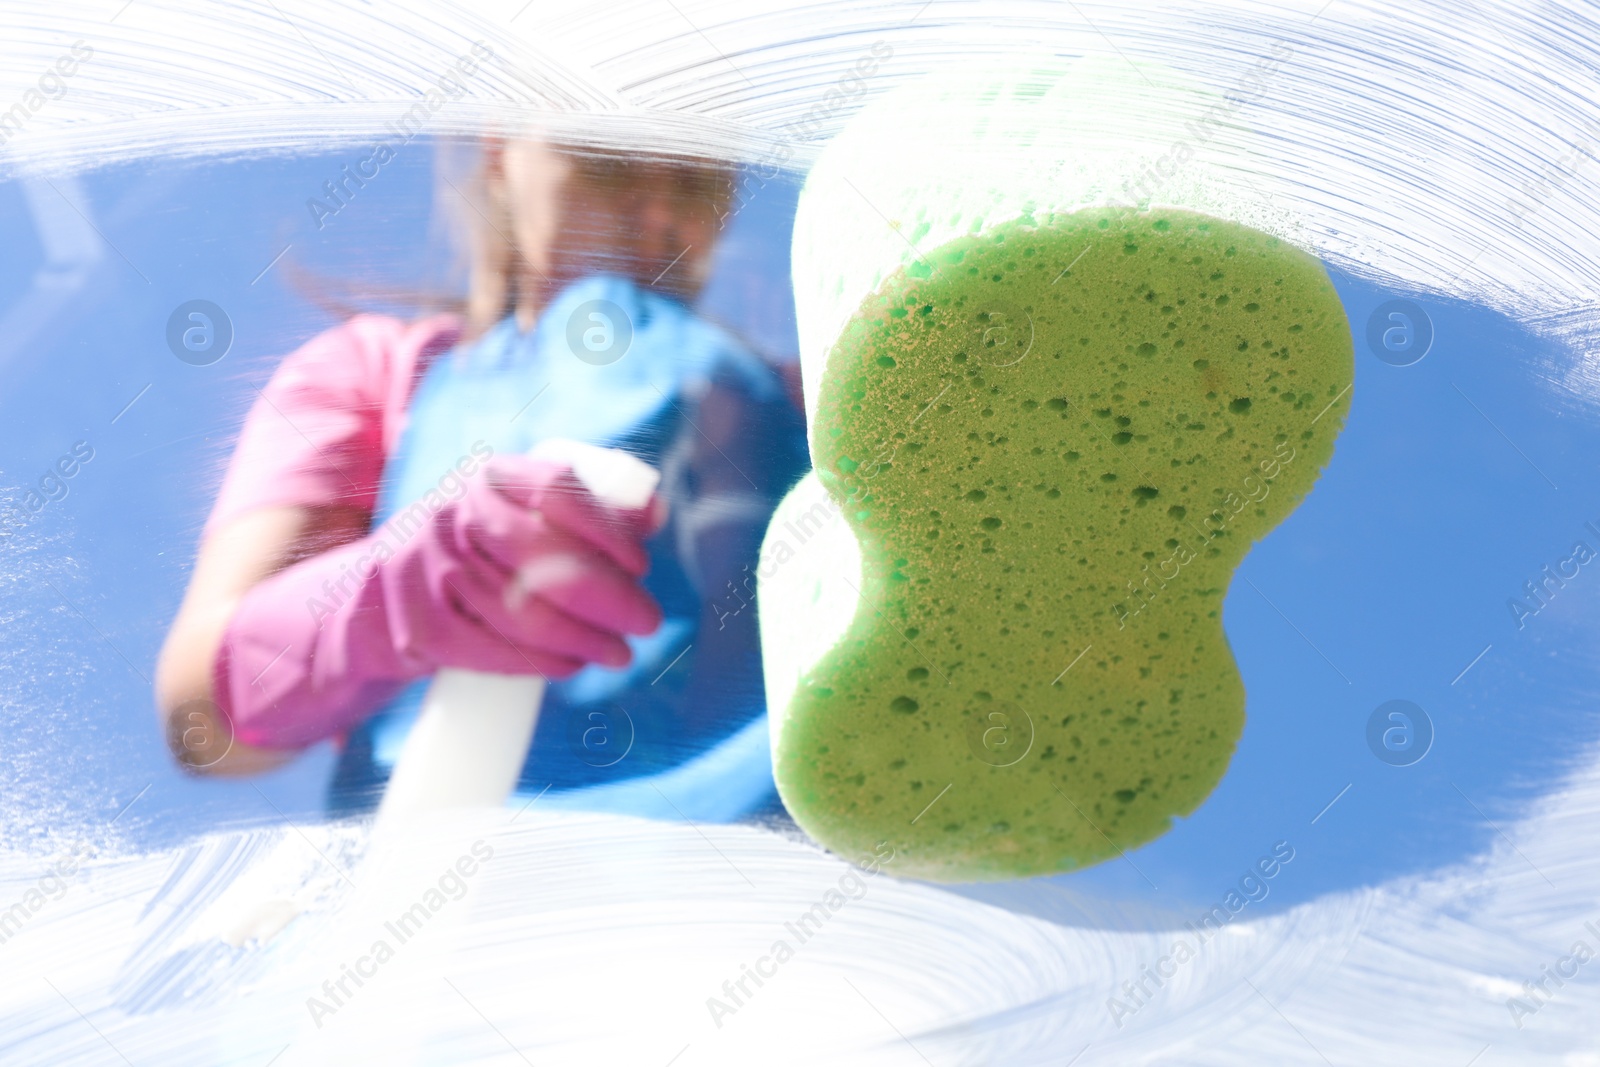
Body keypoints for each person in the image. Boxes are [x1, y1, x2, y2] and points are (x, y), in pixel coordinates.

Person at [154, 136, 809, 821]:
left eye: (693, 188)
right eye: (607, 165)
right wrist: (395, 596)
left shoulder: (798, 405)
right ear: (501, 152)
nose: (654, 211)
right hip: (456, 899)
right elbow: (199, 721)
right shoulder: (376, 376)